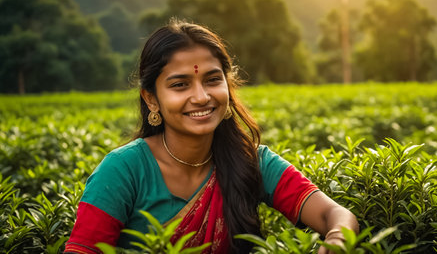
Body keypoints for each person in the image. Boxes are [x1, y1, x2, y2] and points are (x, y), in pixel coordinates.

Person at [64, 19, 359, 254]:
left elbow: (335, 215)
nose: (202, 97)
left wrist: (336, 237)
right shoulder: (122, 171)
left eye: (212, 80)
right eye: (180, 85)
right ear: (151, 99)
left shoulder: (251, 160)